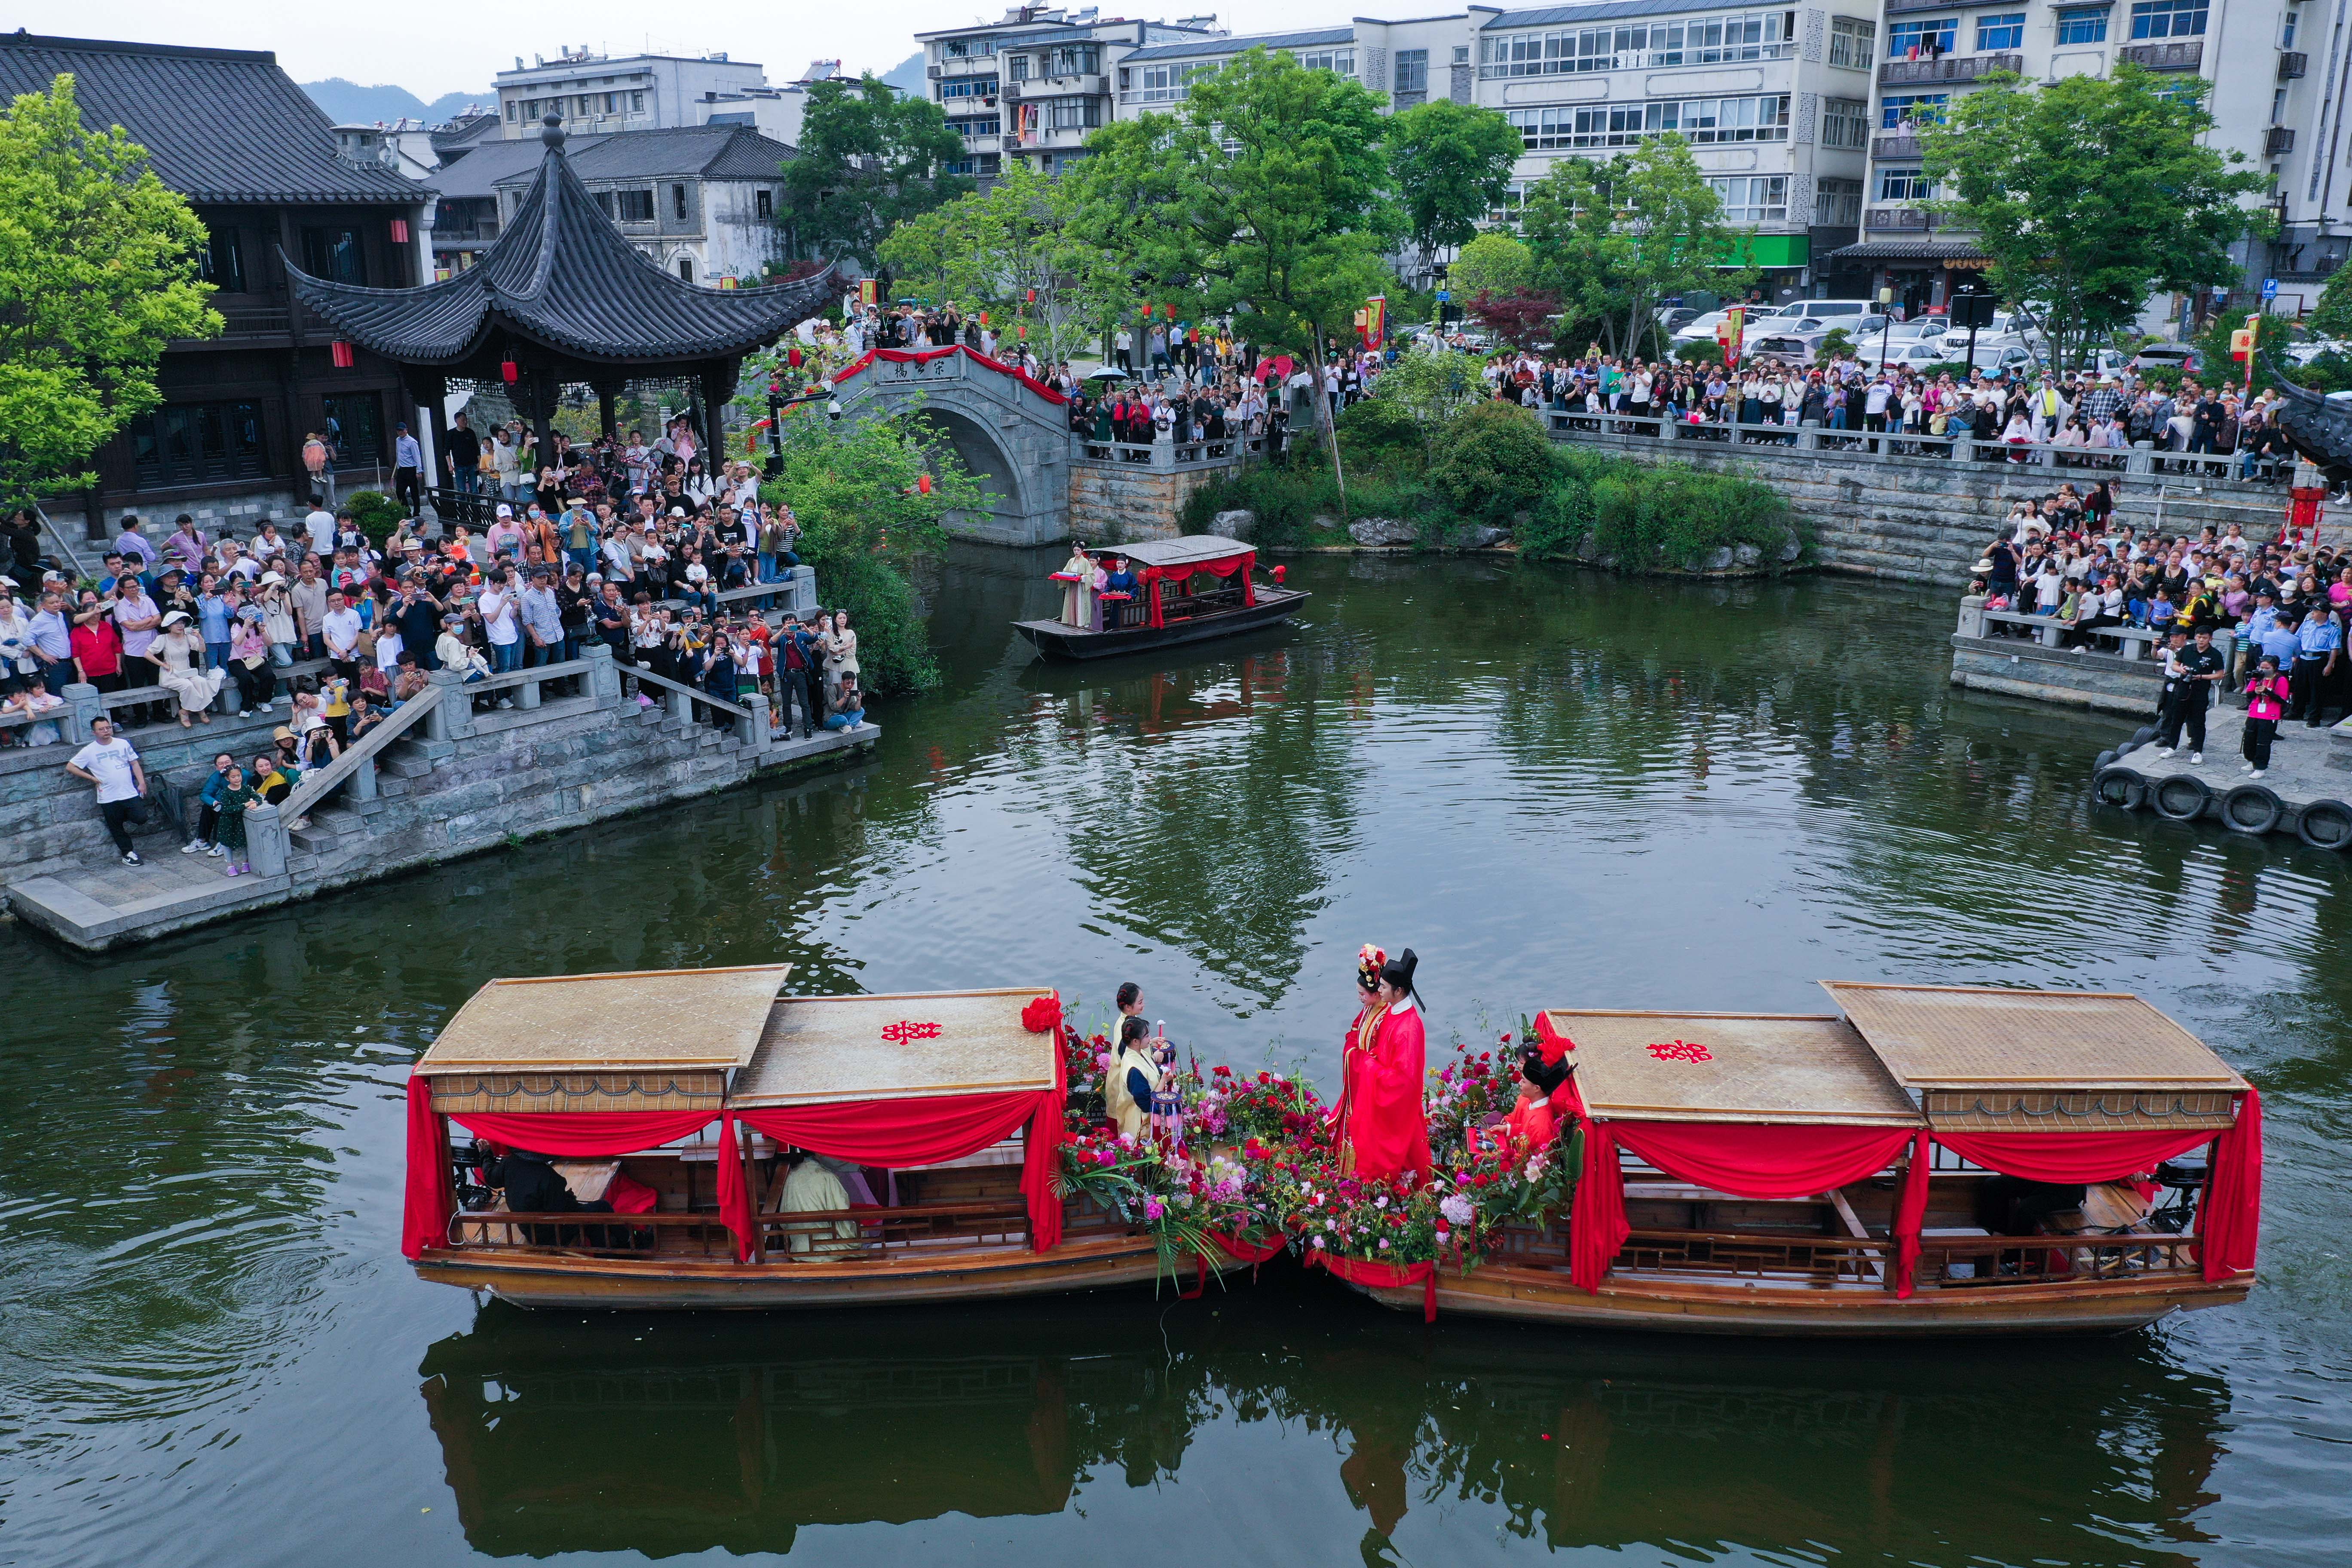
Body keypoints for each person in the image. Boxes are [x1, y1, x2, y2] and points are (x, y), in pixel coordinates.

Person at [1336, 948, 1430, 1183]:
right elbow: (1384, 1053)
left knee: (1396, 1161)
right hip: (1383, 1084)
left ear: (1398, 991)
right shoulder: (1394, 1012)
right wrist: (1375, 1059)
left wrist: (1367, 1065)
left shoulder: (1408, 1028)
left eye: (1384, 987)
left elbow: (1403, 1082)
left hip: (1398, 1106)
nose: (1379, 990)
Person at [65, 716, 149, 865]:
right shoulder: (89, 751)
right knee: (116, 827)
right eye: (101, 729)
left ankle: (125, 816)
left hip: (128, 792)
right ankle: (128, 853)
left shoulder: (122, 744)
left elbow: (134, 763)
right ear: (94, 732)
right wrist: (91, 778)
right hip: (108, 796)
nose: (106, 731)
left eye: (108, 728)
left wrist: (142, 783)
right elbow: (71, 767)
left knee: (141, 817)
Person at [2155, 626, 2224, 763]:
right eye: (2199, 637)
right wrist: (2182, 670)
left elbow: (2220, 674)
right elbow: (2175, 665)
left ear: (2210, 639)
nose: (2201, 640)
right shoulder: (2187, 649)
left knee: (2198, 721)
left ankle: (2198, 751)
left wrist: (2201, 677)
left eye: (2204, 638)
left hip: (2200, 691)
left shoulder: (2214, 654)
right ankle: (2172, 747)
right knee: (2176, 719)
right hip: (2182, 689)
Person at [776, 1151, 862, 1257]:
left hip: (799, 1248)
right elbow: (843, 1216)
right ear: (819, 1153)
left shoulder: (792, 1177)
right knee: (860, 1236)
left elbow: (784, 1221)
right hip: (826, 1248)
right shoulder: (827, 1177)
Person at [148, 611, 224, 728]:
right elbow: (147, 654)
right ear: (169, 626)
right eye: (176, 624)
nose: (180, 626)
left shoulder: (188, 637)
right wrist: (163, 665)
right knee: (187, 685)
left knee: (201, 682)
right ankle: (195, 712)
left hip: (188, 671)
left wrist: (200, 638)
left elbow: (202, 650)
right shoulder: (163, 639)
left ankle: (185, 710)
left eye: (182, 623)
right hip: (171, 673)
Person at [1103, 1015, 1163, 1141]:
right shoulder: (1134, 1070)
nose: (1150, 1039)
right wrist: (1164, 1081)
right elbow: (1147, 1104)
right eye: (1147, 1037)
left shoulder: (1135, 1053)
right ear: (1135, 1041)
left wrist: (1155, 1059)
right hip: (1138, 1126)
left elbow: (1148, 1069)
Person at [2242, 655, 2289, 779]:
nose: (2263, 670)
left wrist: (2267, 692)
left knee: (2263, 742)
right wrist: (2255, 692)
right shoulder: (2256, 677)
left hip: (2270, 714)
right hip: (2254, 712)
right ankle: (2251, 761)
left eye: (2267, 668)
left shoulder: (2281, 680)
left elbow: (2282, 699)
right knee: (2249, 739)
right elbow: (2249, 695)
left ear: (2274, 668)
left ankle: (2261, 767)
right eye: (2261, 667)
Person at [213, 763, 263, 877]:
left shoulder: (246, 788)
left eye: (239, 776)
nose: (237, 779)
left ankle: (246, 863)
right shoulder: (226, 792)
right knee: (227, 844)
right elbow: (227, 808)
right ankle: (230, 865)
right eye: (233, 777)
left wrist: (255, 802)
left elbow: (258, 798)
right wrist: (244, 805)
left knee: (244, 842)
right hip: (229, 822)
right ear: (227, 778)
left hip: (242, 822)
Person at [1059, 544, 1097, 628]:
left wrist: (1083, 578)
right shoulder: (1071, 561)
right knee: (1071, 603)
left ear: (1082, 551)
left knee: (1081, 604)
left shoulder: (1086, 562)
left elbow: (1091, 576)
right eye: (1075, 550)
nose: (1076, 552)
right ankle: (1071, 622)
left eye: (1078, 550)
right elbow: (1065, 572)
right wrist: (1061, 575)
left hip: (1081, 587)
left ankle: (1081, 624)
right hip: (1072, 586)